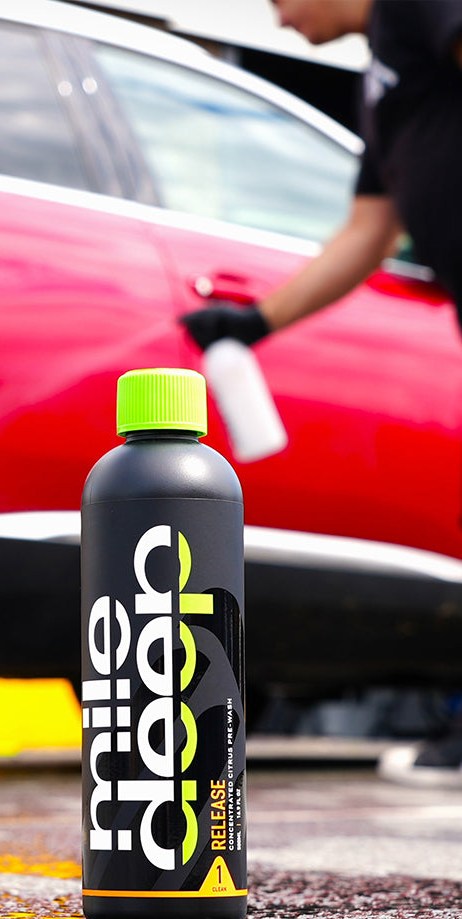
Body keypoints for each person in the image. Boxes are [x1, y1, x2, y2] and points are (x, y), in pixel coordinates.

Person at [181, 0, 462, 786]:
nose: (274, 18)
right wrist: (255, 321)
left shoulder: (415, 11)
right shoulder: (378, 80)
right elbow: (368, 233)